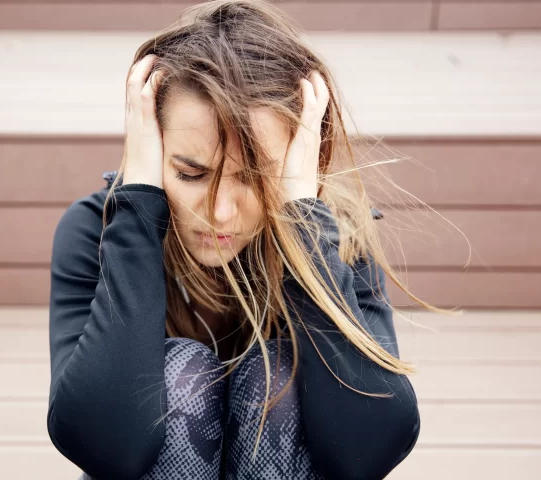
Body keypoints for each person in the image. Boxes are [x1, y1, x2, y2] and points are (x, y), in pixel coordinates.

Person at [47, 1, 424, 478]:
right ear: (152, 149)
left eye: (256, 179)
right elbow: (102, 444)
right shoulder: (96, 233)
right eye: (190, 173)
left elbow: (368, 451)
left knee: (280, 386)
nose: (219, 212)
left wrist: (304, 228)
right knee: (181, 375)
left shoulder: (341, 240)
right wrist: (138, 208)